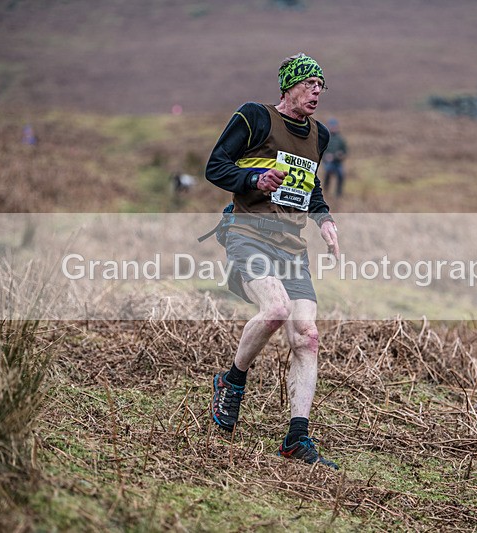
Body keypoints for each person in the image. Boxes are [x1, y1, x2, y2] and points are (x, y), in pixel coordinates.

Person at [205, 53, 340, 469]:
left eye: (322, 85)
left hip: (290, 246)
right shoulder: (254, 117)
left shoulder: (319, 135)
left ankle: (296, 439)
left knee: (308, 336)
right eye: (310, 83)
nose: (317, 91)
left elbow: (310, 185)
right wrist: (252, 179)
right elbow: (215, 166)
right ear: (290, 85)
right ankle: (232, 380)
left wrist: (325, 220)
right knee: (277, 310)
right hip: (246, 232)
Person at [321, 117, 348, 197]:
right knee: (328, 172)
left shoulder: (340, 139)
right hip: (328, 163)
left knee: (341, 175)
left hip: (338, 163)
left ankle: (338, 194)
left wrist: (341, 155)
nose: (333, 128)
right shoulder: (326, 138)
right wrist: (326, 157)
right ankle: (325, 191)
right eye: (332, 126)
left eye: (335, 126)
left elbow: (345, 152)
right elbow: (322, 151)